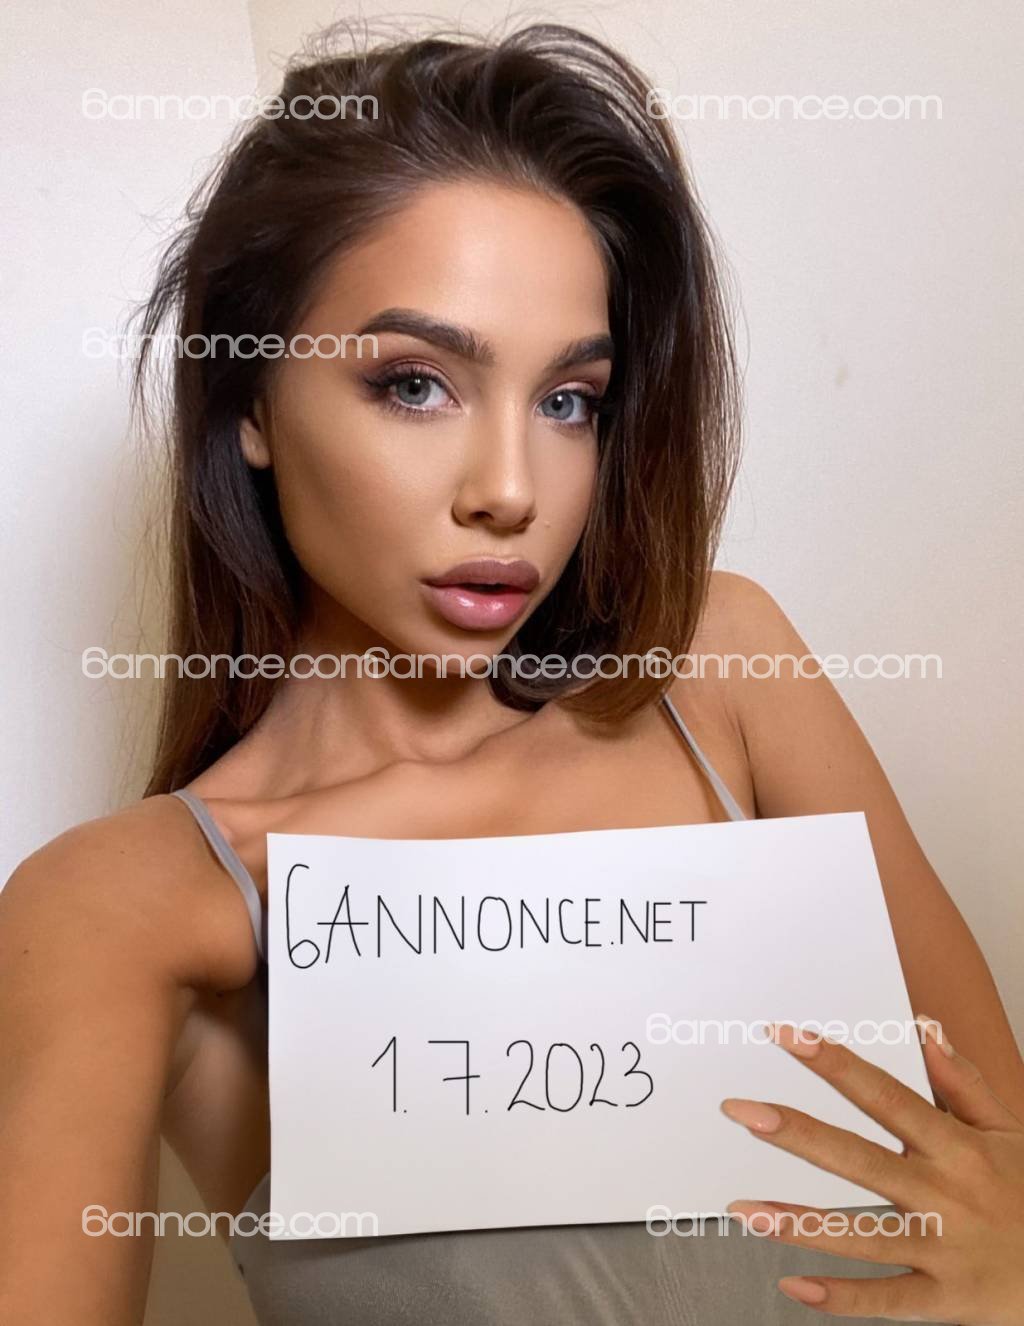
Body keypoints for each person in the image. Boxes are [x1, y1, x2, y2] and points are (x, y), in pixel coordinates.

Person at [2, 22, 1022, 1326]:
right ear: (250, 401)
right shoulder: (128, 907)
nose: (509, 490)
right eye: (414, 385)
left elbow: (1001, 1169)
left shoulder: (720, 670)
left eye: (567, 400)